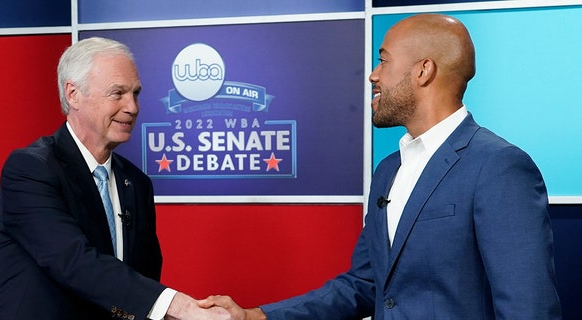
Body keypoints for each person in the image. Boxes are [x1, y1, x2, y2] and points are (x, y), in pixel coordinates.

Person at [199, 13, 562, 319]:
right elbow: (365, 285)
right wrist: (257, 315)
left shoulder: (500, 167)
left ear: (423, 71)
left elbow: (528, 308)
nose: (373, 75)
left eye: (384, 60)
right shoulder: (389, 169)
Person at [0, 37, 232, 320]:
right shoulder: (30, 169)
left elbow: (140, 282)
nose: (133, 107)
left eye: (135, 93)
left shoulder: (136, 182)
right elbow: (73, 261)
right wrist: (181, 307)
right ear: (73, 94)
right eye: (118, 93)